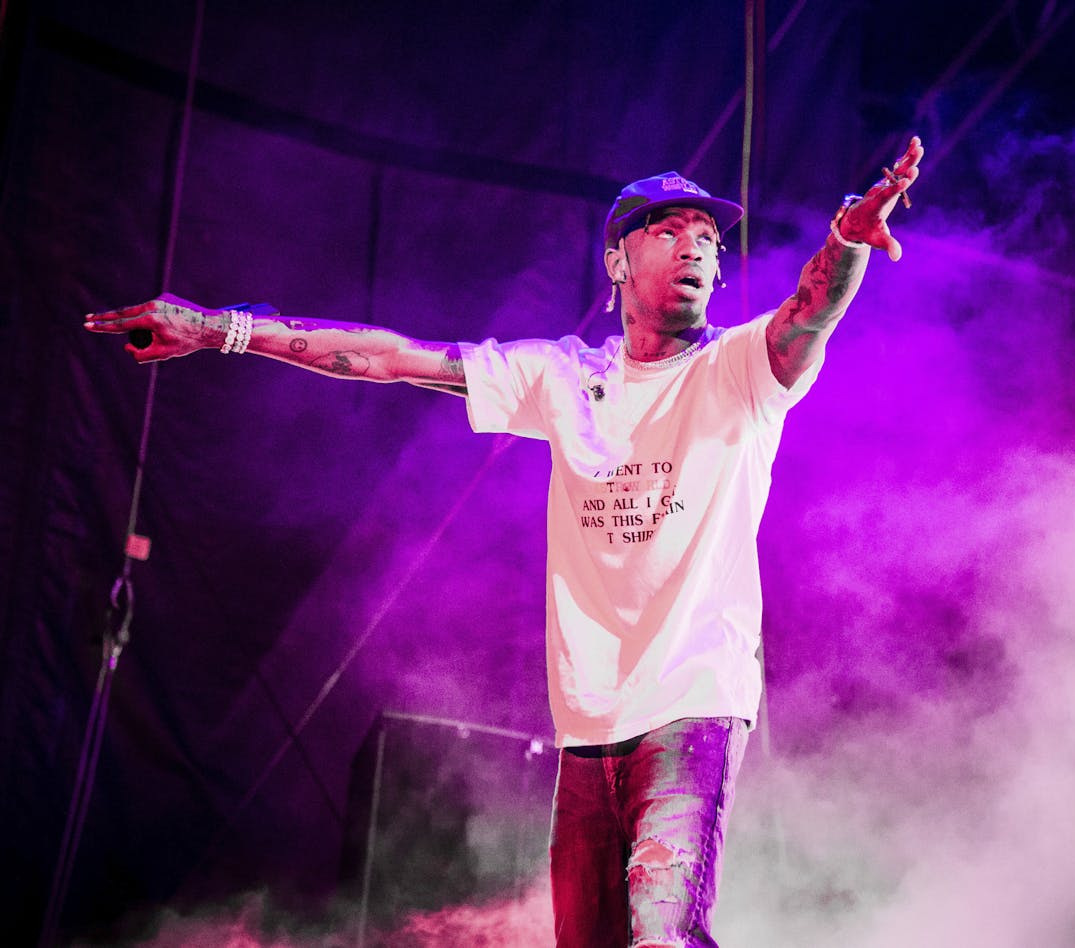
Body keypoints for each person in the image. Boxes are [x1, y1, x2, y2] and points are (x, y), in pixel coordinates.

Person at [84, 137, 923, 947]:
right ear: (618, 263)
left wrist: (846, 241)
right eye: (668, 232)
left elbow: (811, 311)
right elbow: (390, 359)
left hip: (692, 707)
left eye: (707, 237)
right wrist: (223, 330)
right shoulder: (561, 376)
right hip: (588, 730)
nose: (696, 248)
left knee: (664, 932)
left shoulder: (740, 370)